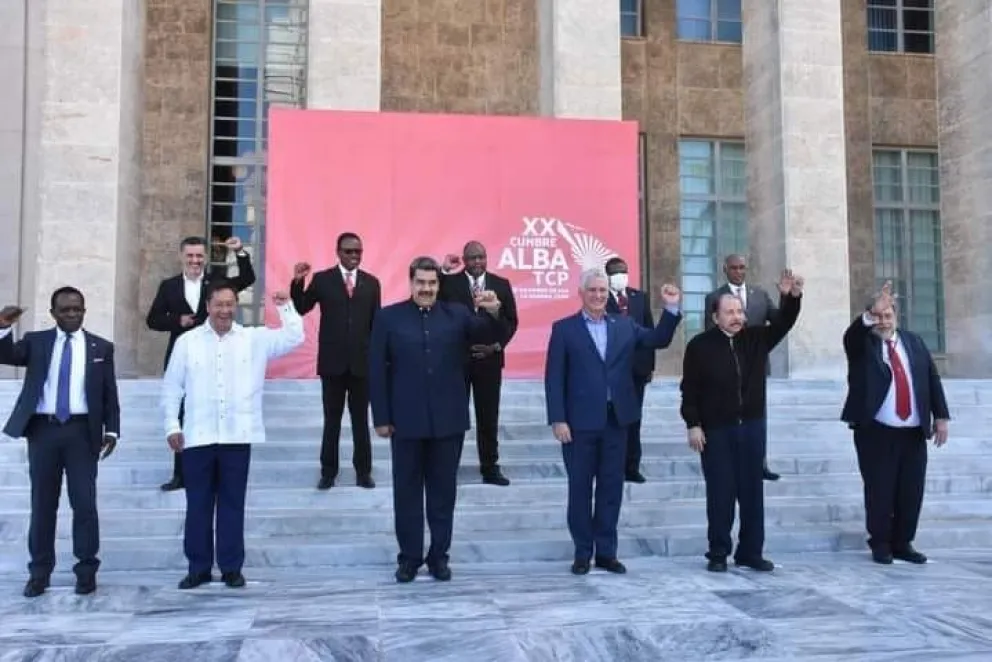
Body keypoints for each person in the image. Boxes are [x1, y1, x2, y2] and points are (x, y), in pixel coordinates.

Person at [369, 256, 511, 583]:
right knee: (406, 493)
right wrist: (381, 416)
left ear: (438, 285)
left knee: (443, 494)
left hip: (449, 422)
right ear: (411, 282)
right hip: (404, 422)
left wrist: (493, 310)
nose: (427, 289)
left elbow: (492, 333)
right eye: (421, 283)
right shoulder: (389, 318)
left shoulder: (458, 315)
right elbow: (377, 370)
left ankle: (439, 557)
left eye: (432, 283)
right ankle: (409, 558)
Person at [162, 281, 304, 590]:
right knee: (197, 504)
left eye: (230, 304)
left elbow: (294, 337)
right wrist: (172, 425)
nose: (225, 310)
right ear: (208, 306)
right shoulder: (187, 342)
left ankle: (230, 568)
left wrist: (285, 307)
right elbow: (172, 387)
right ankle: (198, 568)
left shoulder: (253, 339)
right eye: (219, 304)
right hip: (197, 437)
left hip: (237, 437)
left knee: (232, 504)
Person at [545, 268, 683, 575]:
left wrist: (671, 309)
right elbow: (554, 378)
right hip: (578, 425)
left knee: (611, 489)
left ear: (609, 295)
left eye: (602, 291)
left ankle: (606, 553)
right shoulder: (564, 329)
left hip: (616, 422)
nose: (597, 296)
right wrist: (558, 419)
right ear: (581, 293)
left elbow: (658, 339)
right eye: (592, 290)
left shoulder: (624, 326)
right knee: (580, 490)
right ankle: (583, 552)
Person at [681, 269, 803, 573]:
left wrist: (790, 297)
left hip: (751, 427)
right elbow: (690, 390)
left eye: (739, 311)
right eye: (730, 312)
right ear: (715, 317)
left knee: (752, 492)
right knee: (720, 493)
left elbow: (786, 322)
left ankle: (750, 552)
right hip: (716, 430)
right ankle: (718, 552)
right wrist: (693, 424)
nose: (737, 316)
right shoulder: (699, 346)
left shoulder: (757, 338)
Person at [0, 288, 120, 597]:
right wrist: (2, 326)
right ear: (53, 313)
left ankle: (86, 572)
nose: (71, 315)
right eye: (65, 310)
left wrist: (113, 430)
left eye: (77, 309)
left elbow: (109, 393)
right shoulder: (36, 342)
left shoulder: (101, 347)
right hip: (44, 431)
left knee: (84, 504)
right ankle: (39, 573)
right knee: (43, 505)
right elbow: (5, 355)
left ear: (84, 310)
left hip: (82, 433)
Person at [841, 280, 950, 565]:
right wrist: (868, 317)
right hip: (876, 431)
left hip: (912, 431)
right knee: (880, 489)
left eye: (888, 315)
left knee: (910, 490)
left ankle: (903, 542)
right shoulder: (862, 344)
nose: (884, 321)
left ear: (897, 317)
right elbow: (851, 336)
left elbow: (931, 378)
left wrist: (940, 416)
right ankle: (880, 543)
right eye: (878, 315)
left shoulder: (914, 342)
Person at [147, 235, 256, 492]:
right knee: (183, 414)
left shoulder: (216, 283)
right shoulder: (169, 286)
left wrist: (240, 252)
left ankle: (214, 470)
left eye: (199, 256)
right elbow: (152, 320)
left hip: (215, 358)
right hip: (182, 357)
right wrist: (177, 320)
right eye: (190, 256)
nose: (195, 260)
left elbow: (247, 278)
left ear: (205, 257)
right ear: (181, 257)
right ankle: (180, 474)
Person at [291, 232, 381, 490]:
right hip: (332, 364)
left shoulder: (372, 283)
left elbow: (376, 324)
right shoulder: (322, 280)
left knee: (361, 420)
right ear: (338, 252)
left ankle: (363, 471)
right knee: (332, 420)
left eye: (358, 252)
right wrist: (298, 281)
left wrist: (378, 360)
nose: (354, 256)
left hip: (361, 365)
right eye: (349, 251)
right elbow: (301, 307)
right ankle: (328, 471)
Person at [440, 242, 519, 486]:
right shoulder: (449, 283)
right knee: (455, 416)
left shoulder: (501, 284)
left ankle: (490, 467)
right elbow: (437, 314)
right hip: (457, 362)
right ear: (463, 259)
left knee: (488, 417)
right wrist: (443, 272)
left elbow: (511, 322)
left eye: (481, 257)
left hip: (489, 362)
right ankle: (448, 467)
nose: (477, 262)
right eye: (472, 257)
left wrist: (495, 346)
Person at [705, 254, 782, 481]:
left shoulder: (760, 295)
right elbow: (710, 333)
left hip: (755, 366)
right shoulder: (714, 297)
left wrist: (788, 298)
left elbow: (779, 320)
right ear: (725, 269)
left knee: (759, 416)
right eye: (734, 268)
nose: (739, 271)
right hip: (726, 367)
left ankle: (760, 463)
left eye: (742, 268)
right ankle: (729, 460)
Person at [604, 256, 655, 484]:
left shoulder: (639, 298)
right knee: (615, 419)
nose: (620, 276)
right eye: (615, 272)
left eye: (623, 271)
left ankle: (632, 467)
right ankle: (613, 465)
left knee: (634, 419)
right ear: (607, 276)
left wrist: (649, 366)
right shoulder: (600, 298)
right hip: (613, 371)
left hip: (637, 370)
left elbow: (650, 332)